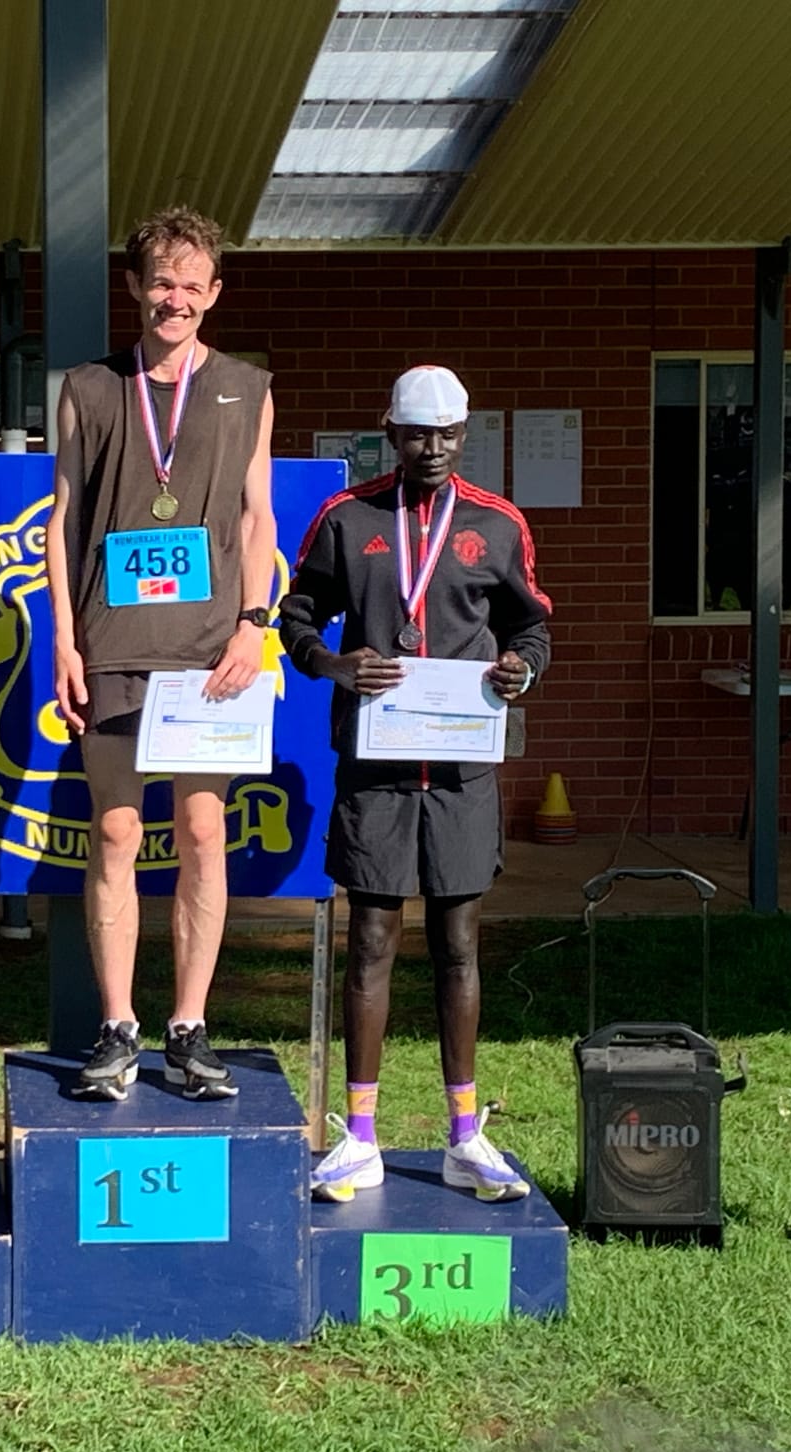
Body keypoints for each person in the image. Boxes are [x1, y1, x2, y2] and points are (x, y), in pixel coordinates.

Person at [277, 365, 552, 1202]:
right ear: (390, 432)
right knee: (370, 940)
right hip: (377, 768)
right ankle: (359, 1137)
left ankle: (464, 1134)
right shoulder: (347, 517)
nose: (433, 449)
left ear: (465, 435)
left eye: (448, 435)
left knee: (459, 945)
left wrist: (520, 669)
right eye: (418, 433)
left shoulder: (497, 524)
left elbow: (531, 624)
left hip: (461, 768)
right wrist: (332, 663)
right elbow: (297, 614)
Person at [44, 205, 276, 1102]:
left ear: (213, 293)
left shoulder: (248, 386)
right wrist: (64, 639)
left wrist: (254, 623)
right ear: (134, 287)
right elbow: (63, 519)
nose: (174, 299)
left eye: (191, 284)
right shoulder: (89, 388)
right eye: (160, 282)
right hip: (112, 642)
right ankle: (117, 1028)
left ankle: (189, 1025)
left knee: (204, 833)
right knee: (114, 831)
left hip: (211, 650)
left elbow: (257, 517)